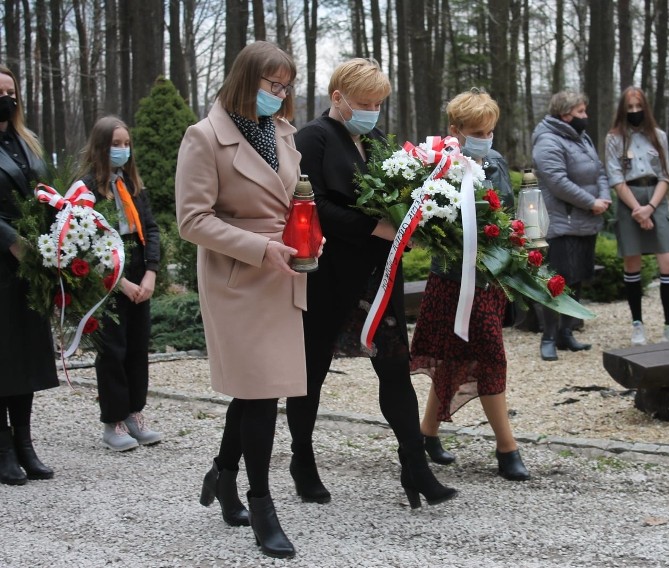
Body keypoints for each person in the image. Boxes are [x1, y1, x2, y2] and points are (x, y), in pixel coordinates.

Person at [287, 57, 456, 509]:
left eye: (379, 103)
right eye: (364, 102)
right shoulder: (312, 138)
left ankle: (415, 467)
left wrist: (414, 224)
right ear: (337, 98)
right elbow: (311, 203)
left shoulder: (377, 139)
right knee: (311, 371)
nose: (373, 110)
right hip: (330, 277)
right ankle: (301, 458)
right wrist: (376, 228)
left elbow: (400, 195)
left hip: (378, 278)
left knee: (394, 366)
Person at [175, 41, 307, 559]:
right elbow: (193, 220)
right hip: (237, 278)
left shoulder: (282, 132)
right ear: (245, 80)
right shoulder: (204, 136)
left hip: (284, 274)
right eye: (272, 85)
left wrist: (304, 234)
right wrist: (260, 247)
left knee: (260, 391)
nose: (280, 94)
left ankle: (224, 475)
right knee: (259, 394)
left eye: (285, 86)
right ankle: (261, 502)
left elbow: (292, 196)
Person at [410, 89, 529, 481]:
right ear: (455, 130)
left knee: (467, 356)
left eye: (490, 130)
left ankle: (427, 433)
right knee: (476, 356)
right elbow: (429, 222)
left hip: (488, 282)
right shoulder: (439, 166)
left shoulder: (495, 162)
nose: (485, 137)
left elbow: (508, 218)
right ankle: (507, 447)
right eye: (477, 130)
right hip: (452, 280)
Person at [77, 116, 163, 452]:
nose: (122, 150)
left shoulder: (132, 185)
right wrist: (119, 282)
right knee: (112, 349)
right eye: (116, 144)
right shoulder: (86, 189)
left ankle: (133, 414)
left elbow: (151, 229)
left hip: (139, 270)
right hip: (109, 277)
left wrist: (151, 272)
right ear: (101, 147)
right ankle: (112, 419)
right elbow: (85, 240)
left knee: (138, 346)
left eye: (126, 144)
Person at [0, 64, 58, 486]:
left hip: (32, 263)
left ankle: (25, 443)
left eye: (11, 91)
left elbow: (43, 194)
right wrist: (11, 241)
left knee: (26, 359)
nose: (7, 98)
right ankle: (3, 450)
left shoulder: (26, 141)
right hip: (4, 257)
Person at [531, 90, 611, 361]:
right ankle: (549, 336)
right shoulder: (547, 140)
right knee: (557, 281)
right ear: (565, 114)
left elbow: (599, 170)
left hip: (585, 220)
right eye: (580, 112)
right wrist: (591, 201)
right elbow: (556, 181)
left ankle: (567, 333)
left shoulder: (582, 137)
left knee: (576, 277)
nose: (585, 117)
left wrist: (604, 197)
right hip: (561, 222)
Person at [605, 87, 669, 345]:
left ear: (645, 108)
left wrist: (650, 208)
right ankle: (637, 324)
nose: (635, 112)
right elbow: (615, 177)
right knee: (632, 262)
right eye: (630, 108)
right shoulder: (614, 138)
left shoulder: (658, 135)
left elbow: (666, 174)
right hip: (629, 198)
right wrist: (637, 209)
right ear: (623, 111)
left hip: (656, 198)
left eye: (639, 107)